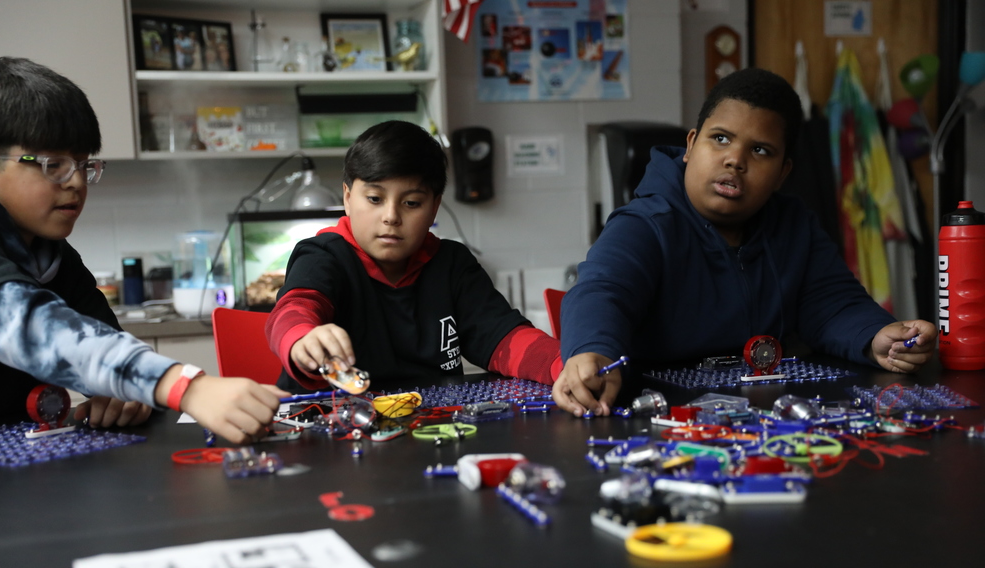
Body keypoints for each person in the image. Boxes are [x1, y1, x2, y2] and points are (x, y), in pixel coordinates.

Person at [553, 67, 937, 416]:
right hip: (660, 419)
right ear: (691, 145)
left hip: (766, 415)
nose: (735, 160)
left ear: (783, 172)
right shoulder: (645, 224)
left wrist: (875, 336)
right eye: (720, 139)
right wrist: (591, 352)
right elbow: (602, 292)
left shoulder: (794, 226)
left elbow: (832, 303)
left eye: (760, 150)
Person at [0, 57, 285, 442]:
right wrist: (184, 386)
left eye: (83, 164)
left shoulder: (52, 256)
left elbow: (104, 346)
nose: (77, 182)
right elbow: (27, 326)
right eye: (54, 164)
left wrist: (124, 392)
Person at [266, 120, 561, 392]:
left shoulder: (452, 264)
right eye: (374, 199)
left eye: (411, 203)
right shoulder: (323, 255)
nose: (391, 216)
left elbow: (503, 337)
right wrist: (303, 337)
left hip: (431, 422)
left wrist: (562, 365)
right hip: (330, 422)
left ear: (434, 207)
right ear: (347, 198)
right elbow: (295, 308)